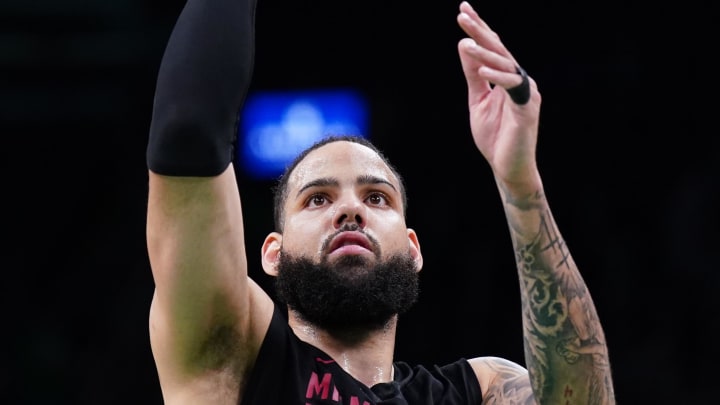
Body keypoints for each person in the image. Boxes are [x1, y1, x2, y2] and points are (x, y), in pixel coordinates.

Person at [145, 0, 616, 403]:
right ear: (273, 252)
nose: (350, 210)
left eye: (376, 197)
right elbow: (188, 132)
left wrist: (520, 182)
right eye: (316, 199)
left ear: (413, 250)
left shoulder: (479, 389)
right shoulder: (238, 350)